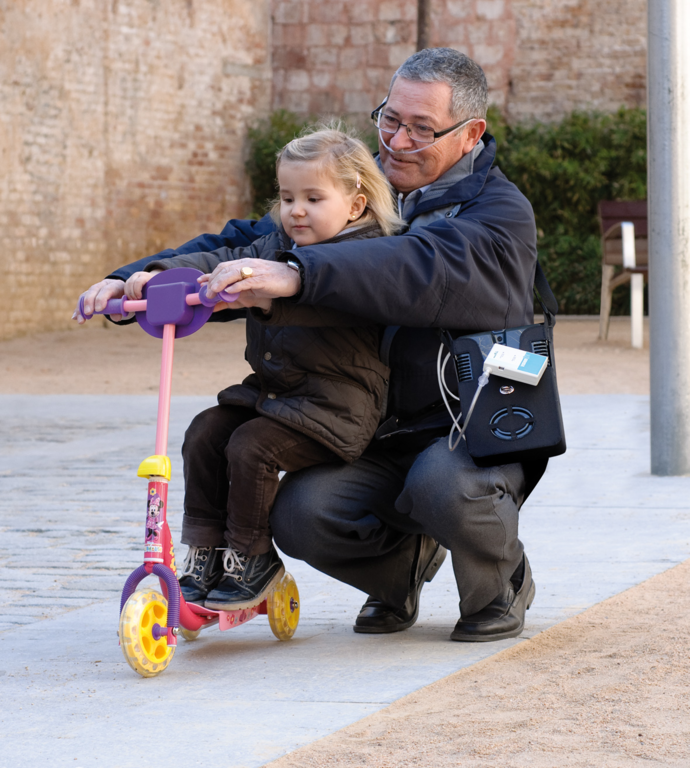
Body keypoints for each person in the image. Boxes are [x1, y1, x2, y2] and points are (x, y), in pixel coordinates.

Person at [74, 48, 543, 642]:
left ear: (470, 133)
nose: (397, 140)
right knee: (300, 512)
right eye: (389, 118)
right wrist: (144, 277)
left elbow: (417, 267)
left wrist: (299, 275)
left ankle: (501, 584)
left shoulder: (500, 213)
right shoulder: (354, 187)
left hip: (466, 425)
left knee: (438, 486)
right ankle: (399, 575)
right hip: (373, 426)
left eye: (421, 128)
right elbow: (247, 244)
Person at [119, 127, 403, 611]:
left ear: (355, 205)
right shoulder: (274, 244)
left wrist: (273, 295)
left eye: (314, 198)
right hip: (276, 397)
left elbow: (330, 299)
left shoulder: (368, 257)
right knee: (206, 431)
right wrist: (153, 278)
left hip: (336, 408)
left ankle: (253, 558)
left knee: (252, 447)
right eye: (288, 196)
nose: (296, 209)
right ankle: (208, 552)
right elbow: (221, 257)